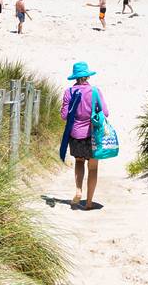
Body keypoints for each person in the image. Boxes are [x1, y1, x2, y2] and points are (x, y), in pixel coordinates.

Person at [60, 62, 109, 210]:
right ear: (87, 76)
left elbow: (64, 116)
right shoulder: (95, 91)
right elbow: (105, 113)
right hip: (92, 135)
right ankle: (88, 203)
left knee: (79, 162)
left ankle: (78, 190)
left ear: (75, 77)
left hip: (75, 135)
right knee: (93, 169)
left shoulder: (69, 92)